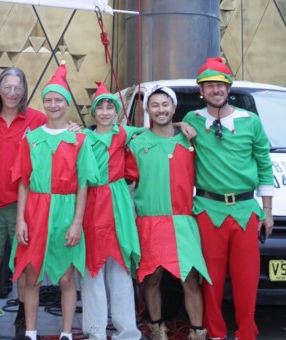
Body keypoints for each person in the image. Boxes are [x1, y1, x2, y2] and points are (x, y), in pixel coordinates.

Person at [182, 57, 273, 340]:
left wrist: (267, 211)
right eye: (209, 86)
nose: (215, 90)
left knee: (247, 281)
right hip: (208, 211)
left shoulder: (250, 122)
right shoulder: (191, 120)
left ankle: (247, 333)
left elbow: (264, 163)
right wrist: (176, 125)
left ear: (228, 88)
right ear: (201, 91)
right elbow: (159, 131)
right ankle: (217, 334)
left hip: (246, 211)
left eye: (220, 85)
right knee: (211, 281)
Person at [11, 62, 98, 340]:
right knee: (32, 277)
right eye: (48, 100)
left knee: (65, 278)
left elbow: (83, 185)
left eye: (58, 99)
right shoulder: (32, 138)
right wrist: (21, 220)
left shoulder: (79, 139)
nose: (53, 104)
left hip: (65, 209)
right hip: (35, 210)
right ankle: (31, 332)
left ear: (67, 103)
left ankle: (66, 333)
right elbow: (24, 181)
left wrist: (77, 223)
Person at [128, 85, 211, 340]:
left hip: (184, 220)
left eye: (165, 105)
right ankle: (157, 328)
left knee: (190, 278)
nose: (160, 109)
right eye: (155, 105)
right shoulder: (136, 142)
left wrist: (178, 125)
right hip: (150, 221)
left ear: (174, 108)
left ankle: (197, 331)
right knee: (151, 279)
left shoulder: (190, 140)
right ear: (148, 110)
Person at [0, 67, 47, 340]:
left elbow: (61, 137)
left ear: (24, 90)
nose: (13, 93)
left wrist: (76, 129)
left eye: (18, 87)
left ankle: (21, 319)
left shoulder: (38, 119)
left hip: (26, 207)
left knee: (25, 268)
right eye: (7, 87)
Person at [80, 82, 143, 340]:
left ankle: (127, 330)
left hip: (118, 203)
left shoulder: (123, 133)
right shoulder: (82, 137)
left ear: (116, 111)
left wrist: (183, 125)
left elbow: (154, 131)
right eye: (101, 107)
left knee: (120, 267)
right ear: (94, 112)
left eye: (110, 107)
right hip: (92, 203)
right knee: (93, 267)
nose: (105, 112)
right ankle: (94, 330)